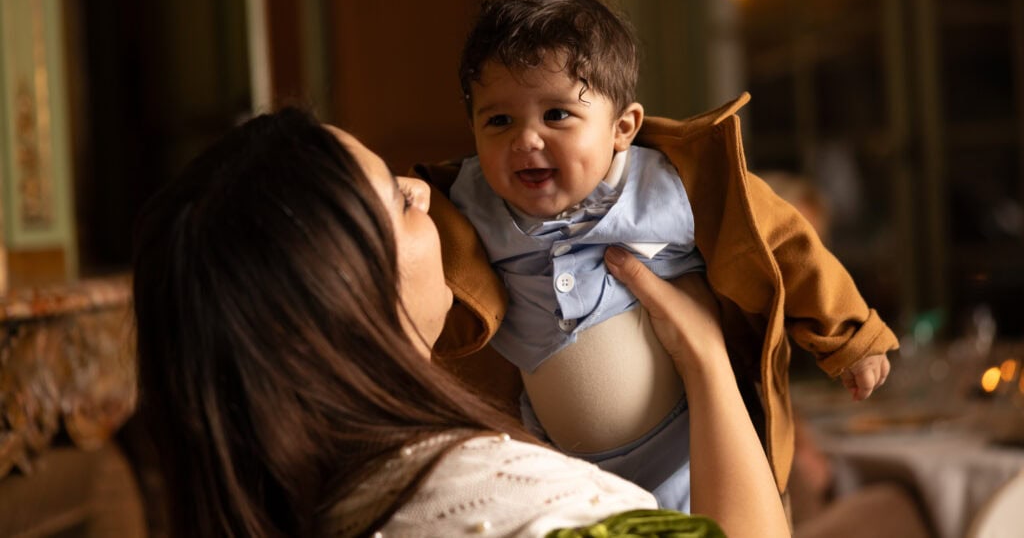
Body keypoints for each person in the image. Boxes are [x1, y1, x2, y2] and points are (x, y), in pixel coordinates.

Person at [131, 107, 788, 537]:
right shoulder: (513, 507)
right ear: (347, 293)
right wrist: (706, 360)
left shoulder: (299, 504)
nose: (422, 190)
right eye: (394, 196)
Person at [414, 0, 898, 510]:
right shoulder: (467, 202)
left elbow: (784, 243)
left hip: (687, 454)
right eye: (498, 121)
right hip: (556, 469)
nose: (526, 140)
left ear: (623, 128)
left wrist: (850, 334)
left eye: (557, 114)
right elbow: (404, 234)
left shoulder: (666, 185)